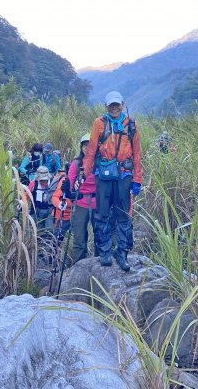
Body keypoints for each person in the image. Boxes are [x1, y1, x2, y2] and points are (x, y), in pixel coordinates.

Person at [83, 91, 142, 272]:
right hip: (104, 175)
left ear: (122, 104)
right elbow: (92, 149)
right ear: (106, 106)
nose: (114, 108)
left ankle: (122, 252)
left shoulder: (131, 124)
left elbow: (137, 153)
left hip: (124, 175)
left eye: (117, 105)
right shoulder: (99, 123)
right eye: (111, 105)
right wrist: (86, 173)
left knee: (123, 215)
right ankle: (105, 252)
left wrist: (137, 179)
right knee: (102, 214)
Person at [62, 133, 97, 263]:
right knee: (79, 238)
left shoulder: (99, 162)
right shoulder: (76, 164)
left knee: (100, 237)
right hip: (81, 203)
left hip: (98, 203)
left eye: (90, 145)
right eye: (85, 145)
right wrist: (66, 187)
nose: (87, 148)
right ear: (81, 147)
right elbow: (70, 179)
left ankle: (99, 266)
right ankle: (78, 266)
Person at [26, 165, 55, 233]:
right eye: (41, 180)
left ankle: (49, 242)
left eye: (45, 180)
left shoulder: (53, 183)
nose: (43, 182)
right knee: (38, 230)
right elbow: (27, 195)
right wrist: (21, 203)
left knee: (50, 230)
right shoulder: (33, 184)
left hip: (50, 211)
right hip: (37, 211)